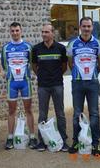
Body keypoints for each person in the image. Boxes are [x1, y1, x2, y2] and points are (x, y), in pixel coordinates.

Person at [66, 17, 100, 155]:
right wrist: (78, 74)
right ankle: (76, 141)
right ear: (80, 27)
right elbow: (70, 62)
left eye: (89, 26)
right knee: (77, 113)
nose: (86, 29)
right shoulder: (72, 44)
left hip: (92, 82)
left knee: (94, 113)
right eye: (84, 26)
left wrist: (93, 74)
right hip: (77, 82)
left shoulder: (98, 44)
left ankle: (95, 144)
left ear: (92, 28)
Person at [32, 24, 69, 152]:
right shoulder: (36, 49)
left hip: (57, 85)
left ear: (53, 33)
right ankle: (41, 141)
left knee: (60, 113)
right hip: (43, 86)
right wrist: (42, 76)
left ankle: (63, 140)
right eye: (42, 32)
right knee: (42, 114)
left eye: (46, 32)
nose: (44, 34)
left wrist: (56, 76)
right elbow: (34, 66)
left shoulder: (61, 48)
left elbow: (64, 66)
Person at [1, 22, 38, 150]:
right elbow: (4, 66)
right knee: (11, 111)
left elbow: (32, 64)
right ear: (10, 32)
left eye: (17, 30)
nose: (15, 33)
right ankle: (10, 138)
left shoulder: (28, 47)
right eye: (12, 31)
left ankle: (33, 137)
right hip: (12, 83)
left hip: (25, 82)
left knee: (28, 110)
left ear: (21, 31)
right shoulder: (5, 48)